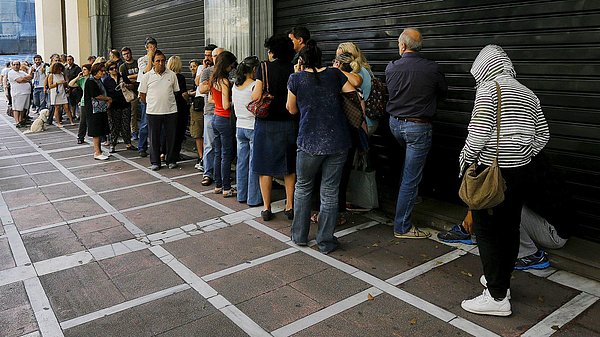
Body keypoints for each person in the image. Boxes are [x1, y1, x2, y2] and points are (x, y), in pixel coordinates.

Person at [459, 45, 549, 317]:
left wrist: (464, 159)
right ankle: (500, 282)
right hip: (520, 173)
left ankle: (496, 298)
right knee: (510, 229)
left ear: (485, 67)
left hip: (492, 173)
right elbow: (542, 135)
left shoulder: (488, 90)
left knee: (486, 231)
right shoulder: (528, 93)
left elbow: (478, 133)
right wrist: (521, 154)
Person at [287, 40, 355, 254]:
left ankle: (299, 236)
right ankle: (325, 241)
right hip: (337, 141)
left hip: (309, 141)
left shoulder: (296, 78)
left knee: (303, 188)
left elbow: (291, 109)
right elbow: (352, 92)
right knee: (330, 192)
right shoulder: (334, 75)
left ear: (302, 60)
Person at [386, 28, 447, 239]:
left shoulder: (391, 67)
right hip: (418, 127)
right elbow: (443, 93)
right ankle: (402, 226)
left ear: (403, 46)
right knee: (411, 176)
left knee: (409, 170)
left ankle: (410, 197)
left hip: (395, 125)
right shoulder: (432, 68)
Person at [251, 35, 297, 221]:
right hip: (289, 121)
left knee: (265, 166)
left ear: (273, 52)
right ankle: (289, 205)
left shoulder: (264, 68)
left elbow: (256, 96)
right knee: (289, 166)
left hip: (266, 123)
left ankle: (267, 208)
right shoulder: (293, 69)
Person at [138, 50, 180, 171]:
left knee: (171, 137)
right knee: (154, 138)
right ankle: (155, 162)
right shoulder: (147, 76)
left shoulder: (172, 75)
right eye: (158, 61)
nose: (161, 63)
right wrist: (151, 104)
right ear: (153, 62)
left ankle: (171, 160)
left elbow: (175, 91)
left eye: (163, 60)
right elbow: (142, 95)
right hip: (153, 112)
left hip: (171, 111)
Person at [233, 55, 262, 206]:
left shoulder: (235, 85)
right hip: (252, 126)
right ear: (254, 69)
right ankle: (254, 198)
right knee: (253, 164)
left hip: (239, 127)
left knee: (242, 162)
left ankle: (241, 194)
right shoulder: (255, 85)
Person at [209, 51, 237, 197]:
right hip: (225, 119)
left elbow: (211, 100)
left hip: (215, 118)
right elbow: (226, 105)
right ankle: (226, 187)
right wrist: (237, 101)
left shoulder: (213, 79)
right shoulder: (224, 81)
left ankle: (218, 185)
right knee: (226, 154)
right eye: (231, 65)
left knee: (218, 153)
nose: (232, 68)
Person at [198, 44, 220, 186]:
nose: (217, 58)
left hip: (226, 113)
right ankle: (208, 173)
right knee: (210, 145)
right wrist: (217, 83)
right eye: (214, 56)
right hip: (210, 112)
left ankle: (220, 173)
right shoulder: (207, 71)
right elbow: (202, 88)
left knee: (224, 146)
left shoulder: (231, 71)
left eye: (219, 55)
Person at [103, 60, 134, 153]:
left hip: (125, 104)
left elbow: (132, 86)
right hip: (113, 106)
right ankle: (113, 144)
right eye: (111, 69)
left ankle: (128, 143)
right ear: (108, 70)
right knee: (114, 126)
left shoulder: (122, 76)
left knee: (126, 124)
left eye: (115, 68)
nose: (114, 70)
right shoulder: (106, 80)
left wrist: (126, 85)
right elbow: (105, 93)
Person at [84, 63, 112, 160]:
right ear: (96, 71)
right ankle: (97, 152)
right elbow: (96, 95)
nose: (103, 73)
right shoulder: (90, 81)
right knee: (96, 131)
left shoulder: (98, 80)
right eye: (102, 71)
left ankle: (100, 150)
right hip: (93, 110)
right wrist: (108, 98)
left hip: (100, 109)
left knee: (100, 130)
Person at [137, 37, 158, 158]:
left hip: (156, 94)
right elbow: (147, 71)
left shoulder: (159, 58)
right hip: (146, 94)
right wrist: (150, 57)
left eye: (153, 46)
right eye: (149, 47)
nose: (152, 49)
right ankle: (142, 147)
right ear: (146, 48)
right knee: (145, 122)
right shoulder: (142, 60)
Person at [166, 56, 189, 160]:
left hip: (168, 107)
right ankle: (175, 154)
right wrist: (188, 97)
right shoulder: (180, 77)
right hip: (180, 107)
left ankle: (164, 153)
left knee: (168, 131)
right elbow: (183, 94)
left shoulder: (166, 77)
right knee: (179, 132)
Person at [119, 47, 140, 141]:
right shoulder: (122, 66)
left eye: (127, 53)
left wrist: (130, 77)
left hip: (141, 89)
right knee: (133, 113)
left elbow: (142, 75)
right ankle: (134, 132)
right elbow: (124, 80)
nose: (126, 55)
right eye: (124, 54)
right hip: (131, 92)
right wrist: (136, 77)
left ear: (131, 53)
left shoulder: (137, 63)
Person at [68, 63, 92, 144]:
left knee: (94, 120)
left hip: (94, 102)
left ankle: (102, 137)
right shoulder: (82, 80)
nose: (83, 71)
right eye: (83, 69)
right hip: (84, 102)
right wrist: (78, 77)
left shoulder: (93, 79)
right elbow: (70, 84)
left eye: (85, 69)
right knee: (83, 121)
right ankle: (80, 137)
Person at [188, 59, 204, 170]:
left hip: (204, 106)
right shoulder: (199, 72)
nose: (193, 68)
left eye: (195, 66)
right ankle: (201, 157)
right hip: (197, 106)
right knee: (198, 133)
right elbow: (198, 85)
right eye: (191, 67)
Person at [48, 62, 75, 127]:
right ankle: (58, 123)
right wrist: (58, 83)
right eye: (58, 69)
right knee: (57, 108)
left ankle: (71, 121)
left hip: (62, 91)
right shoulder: (51, 75)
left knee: (66, 107)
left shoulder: (62, 74)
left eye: (61, 69)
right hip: (55, 92)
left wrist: (66, 84)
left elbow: (66, 83)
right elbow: (50, 86)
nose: (60, 71)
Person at [7, 60, 32, 127]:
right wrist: (25, 79)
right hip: (17, 93)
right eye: (14, 64)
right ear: (12, 65)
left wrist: (24, 79)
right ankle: (17, 122)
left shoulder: (22, 72)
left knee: (23, 108)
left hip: (26, 93)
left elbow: (30, 77)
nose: (16, 66)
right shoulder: (11, 73)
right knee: (17, 108)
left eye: (17, 64)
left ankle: (21, 121)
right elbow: (19, 80)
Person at [65, 55, 82, 119]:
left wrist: (76, 87)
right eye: (68, 60)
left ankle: (80, 115)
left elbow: (79, 77)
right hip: (69, 87)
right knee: (72, 102)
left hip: (76, 87)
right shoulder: (66, 68)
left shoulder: (77, 68)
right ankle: (73, 114)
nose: (69, 61)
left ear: (73, 60)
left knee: (78, 101)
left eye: (70, 59)